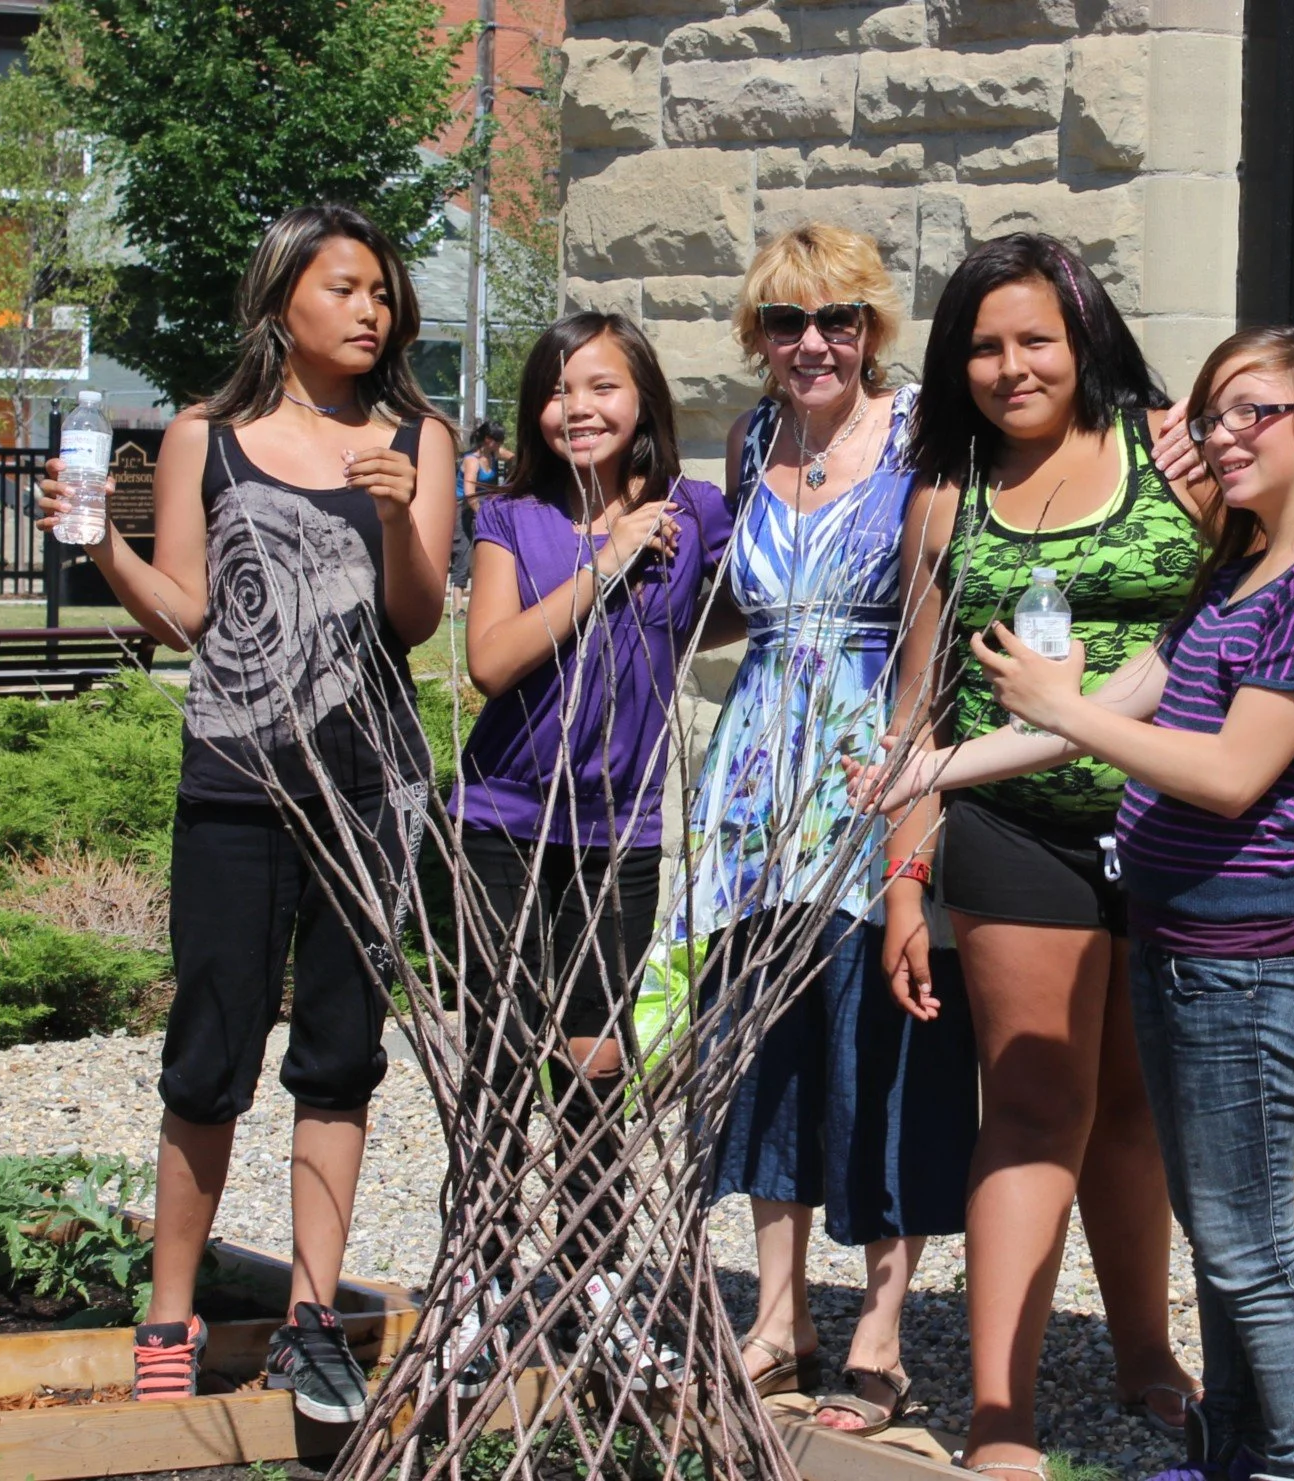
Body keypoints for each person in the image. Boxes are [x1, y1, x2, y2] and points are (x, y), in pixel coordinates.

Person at [854, 326, 1294, 1481]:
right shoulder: (1243, 567)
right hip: (1184, 938)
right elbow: (1118, 699)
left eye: (1256, 411)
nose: (1224, 435)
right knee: (1222, 1238)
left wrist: (1059, 699)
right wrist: (920, 774)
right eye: (1212, 415)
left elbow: (1226, 771)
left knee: (1247, 1244)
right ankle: (1238, 1451)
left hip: (1251, 959)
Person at [34, 205, 456, 1422]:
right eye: (344, 287)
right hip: (234, 785)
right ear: (282, 304)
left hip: (371, 793)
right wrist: (104, 550)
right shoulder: (203, 437)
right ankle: (171, 1312)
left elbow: (419, 619)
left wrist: (390, 510)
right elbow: (187, 615)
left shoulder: (415, 437)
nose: (370, 309)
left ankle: (313, 1317)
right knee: (207, 1053)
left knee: (339, 1059)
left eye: (381, 289)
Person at [884, 233, 1205, 1474]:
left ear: (1083, 338)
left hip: (1169, 825)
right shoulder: (945, 499)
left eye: (1034, 339)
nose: (1010, 366)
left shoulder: (1172, 459)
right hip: (1012, 829)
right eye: (981, 344)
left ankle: (1145, 1353)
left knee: (1133, 1108)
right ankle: (1000, 1416)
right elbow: (912, 704)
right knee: (1031, 1102)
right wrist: (908, 873)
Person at [686, 222, 977, 1437]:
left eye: (839, 319)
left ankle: (880, 1325)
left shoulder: (921, 438)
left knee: (880, 1038)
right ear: (758, 335)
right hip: (752, 794)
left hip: (870, 780)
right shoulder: (753, 437)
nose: (814, 343)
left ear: (874, 328)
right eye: (788, 321)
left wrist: (913, 787)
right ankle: (777, 1313)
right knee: (765, 1044)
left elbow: (935, 629)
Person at [446, 310, 732, 1390]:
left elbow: (750, 601)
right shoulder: (511, 518)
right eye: (559, 390)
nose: (580, 408)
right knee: (495, 1061)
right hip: (505, 826)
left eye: (603, 386)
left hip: (624, 835)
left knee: (595, 1068)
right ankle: (479, 1279)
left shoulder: (695, 514)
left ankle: (594, 1282)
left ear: (644, 401)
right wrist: (607, 560)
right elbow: (492, 660)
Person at [450, 419, 505, 616]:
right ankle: (458, 608)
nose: (501, 445)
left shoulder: (493, 455)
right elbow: (469, 493)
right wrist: (484, 516)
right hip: (463, 510)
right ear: (488, 440)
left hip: (483, 510)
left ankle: (483, 604)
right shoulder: (471, 460)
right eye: (498, 440)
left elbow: (513, 456)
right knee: (463, 555)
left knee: (484, 556)